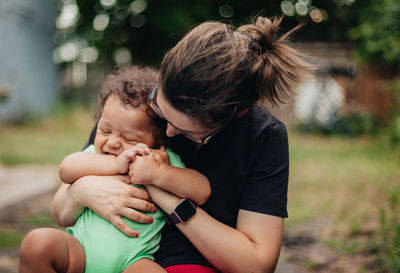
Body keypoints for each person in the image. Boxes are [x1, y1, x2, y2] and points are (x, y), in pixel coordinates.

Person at [50, 16, 310, 273]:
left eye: (187, 131)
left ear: (226, 120)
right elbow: (61, 209)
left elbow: (256, 265)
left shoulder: (263, 137)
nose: (169, 131)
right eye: (160, 109)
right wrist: (80, 191)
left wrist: (167, 197)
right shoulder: (138, 105)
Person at [18, 65, 211, 273]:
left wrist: (159, 173)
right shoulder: (96, 156)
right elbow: (66, 169)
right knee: (37, 243)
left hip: (132, 261)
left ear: (156, 141)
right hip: (79, 252)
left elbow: (202, 191)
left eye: (129, 138)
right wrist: (116, 164)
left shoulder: (158, 160)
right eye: (105, 130)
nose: (112, 143)